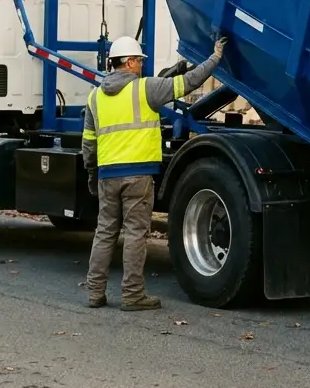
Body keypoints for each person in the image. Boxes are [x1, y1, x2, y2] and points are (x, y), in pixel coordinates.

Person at [81, 35, 227, 310]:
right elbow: (189, 82)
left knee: (105, 233)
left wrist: (92, 174)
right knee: (135, 233)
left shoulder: (95, 97)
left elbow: (88, 144)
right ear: (129, 62)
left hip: (107, 175)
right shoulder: (146, 89)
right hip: (137, 175)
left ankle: (94, 293)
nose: (141, 65)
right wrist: (215, 58)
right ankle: (132, 295)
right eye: (138, 60)